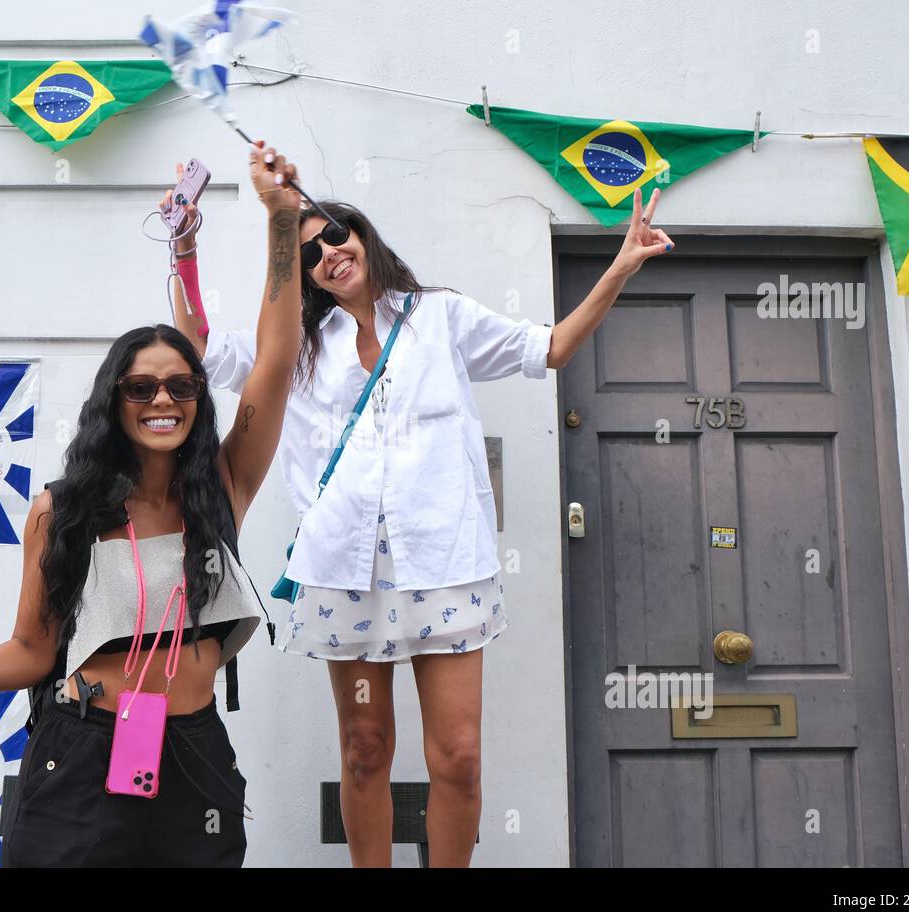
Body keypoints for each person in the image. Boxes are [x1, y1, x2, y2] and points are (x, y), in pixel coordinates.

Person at [177, 186, 673, 867]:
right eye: (310, 248)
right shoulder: (292, 344)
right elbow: (196, 349)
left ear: (364, 235)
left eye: (338, 234)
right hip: (343, 573)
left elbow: (550, 347)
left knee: (460, 757)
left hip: (444, 567)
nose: (329, 252)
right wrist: (184, 248)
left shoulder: (438, 317)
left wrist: (620, 267)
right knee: (364, 751)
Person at [0, 141, 305, 866]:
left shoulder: (220, 490)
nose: (163, 400)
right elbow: (32, 649)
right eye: (142, 386)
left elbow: (277, 361)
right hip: (84, 753)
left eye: (182, 386)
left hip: (192, 754)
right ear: (112, 402)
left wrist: (281, 222)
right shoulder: (62, 511)